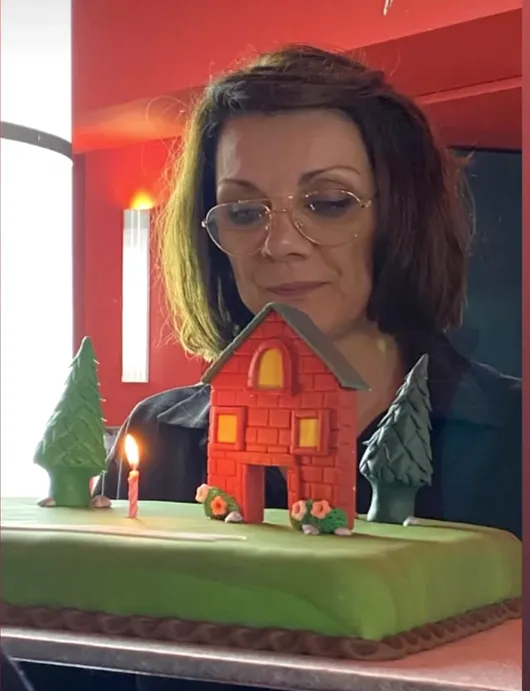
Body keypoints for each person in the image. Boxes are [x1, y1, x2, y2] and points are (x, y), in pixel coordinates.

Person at [99, 44, 521, 537]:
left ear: (402, 217)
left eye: (328, 203)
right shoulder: (157, 436)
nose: (279, 244)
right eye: (243, 212)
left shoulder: (514, 435)